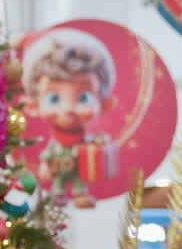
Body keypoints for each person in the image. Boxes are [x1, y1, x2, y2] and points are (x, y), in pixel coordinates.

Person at [23, 27, 117, 208]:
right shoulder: (54, 145)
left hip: (77, 170)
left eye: (83, 97)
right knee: (58, 185)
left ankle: (79, 195)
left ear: (104, 104)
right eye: (54, 98)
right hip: (59, 167)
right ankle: (58, 196)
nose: (68, 109)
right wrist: (45, 166)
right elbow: (48, 154)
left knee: (77, 183)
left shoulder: (88, 142)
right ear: (32, 106)